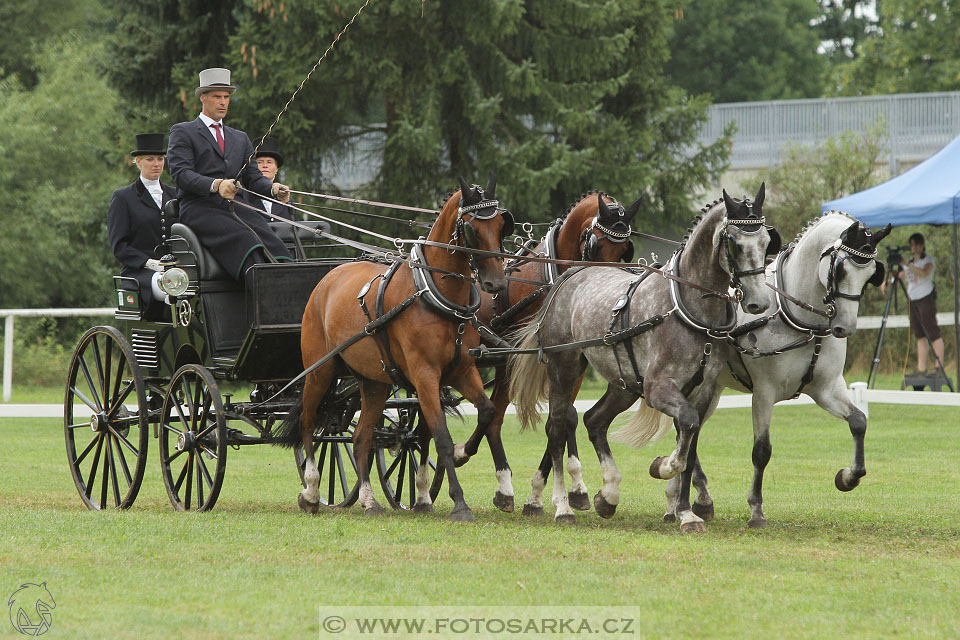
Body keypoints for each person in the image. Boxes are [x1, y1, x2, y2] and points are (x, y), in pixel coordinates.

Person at [166, 67, 294, 284]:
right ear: (203, 98)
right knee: (248, 243)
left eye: (226, 97)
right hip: (200, 209)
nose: (223, 102)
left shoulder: (240, 137)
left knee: (276, 246)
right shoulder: (183, 131)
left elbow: (253, 177)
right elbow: (181, 174)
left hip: (237, 208)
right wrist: (216, 185)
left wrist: (272, 189)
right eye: (217, 97)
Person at [107, 133, 178, 319]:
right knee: (172, 285)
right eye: (150, 159)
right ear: (138, 162)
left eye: (160, 159)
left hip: (176, 269)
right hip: (140, 274)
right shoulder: (123, 198)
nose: (156, 164)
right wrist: (149, 263)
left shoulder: (175, 195)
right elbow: (119, 246)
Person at [885, 232, 945, 375]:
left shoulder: (928, 260)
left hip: (926, 299)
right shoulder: (909, 263)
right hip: (913, 300)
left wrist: (907, 264)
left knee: (933, 332)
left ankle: (939, 367)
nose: (914, 248)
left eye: (916, 245)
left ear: (922, 245)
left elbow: (924, 273)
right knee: (919, 335)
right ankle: (921, 368)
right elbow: (901, 275)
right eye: (912, 245)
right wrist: (887, 281)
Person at [236, 136, 296, 221]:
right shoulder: (242, 198)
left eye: (269, 162)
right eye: (259, 162)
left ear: (276, 168)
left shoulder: (288, 201)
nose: (265, 165)